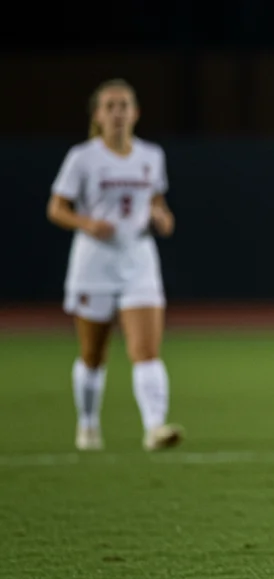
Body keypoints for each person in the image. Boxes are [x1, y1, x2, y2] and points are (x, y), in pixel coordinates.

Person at [47, 79, 183, 452]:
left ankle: (155, 427)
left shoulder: (151, 156)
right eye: (110, 106)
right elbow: (56, 208)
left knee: (147, 349)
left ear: (136, 113)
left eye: (124, 105)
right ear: (98, 115)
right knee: (93, 354)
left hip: (138, 258)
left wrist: (162, 217)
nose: (118, 112)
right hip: (95, 261)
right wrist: (86, 223)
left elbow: (157, 202)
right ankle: (88, 425)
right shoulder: (83, 157)